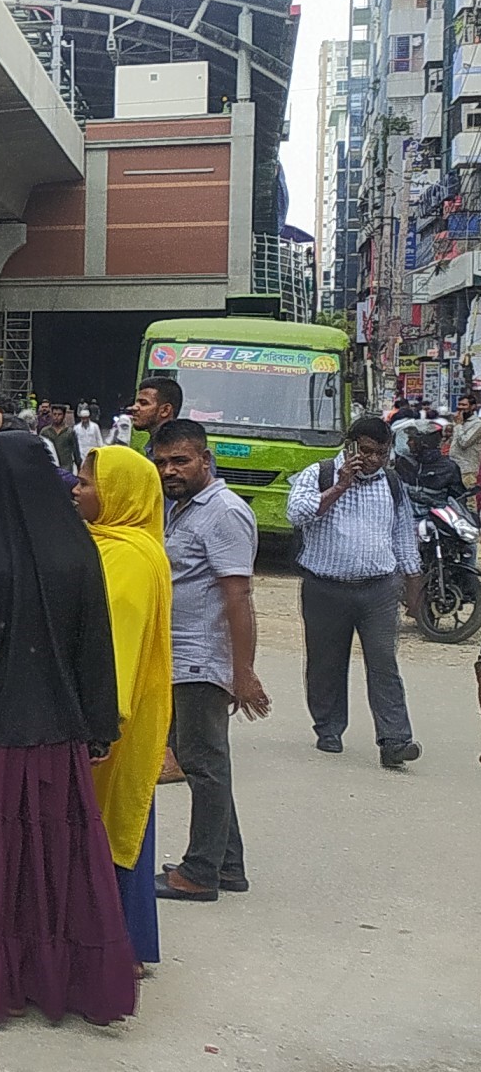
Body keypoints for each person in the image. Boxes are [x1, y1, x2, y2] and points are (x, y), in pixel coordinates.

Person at [0, 432, 136, 1028]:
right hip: (59, 727)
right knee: (52, 852)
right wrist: (97, 724)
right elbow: (96, 646)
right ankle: (52, 976)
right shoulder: (77, 546)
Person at [150, 418, 267, 903]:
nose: (169, 471)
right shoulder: (180, 509)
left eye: (180, 461)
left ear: (205, 459)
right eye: (161, 463)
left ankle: (199, 873)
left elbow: (238, 594)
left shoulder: (224, 512)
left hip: (201, 659)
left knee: (204, 764)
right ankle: (228, 864)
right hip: (179, 657)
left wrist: (243, 672)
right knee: (201, 759)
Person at [75, 445, 175, 972]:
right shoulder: (108, 542)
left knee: (109, 825)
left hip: (111, 722)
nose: (77, 489)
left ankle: (116, 949)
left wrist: (100, 724)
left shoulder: (129, 558)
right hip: (109, 720)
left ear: (120, 494)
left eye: (88, 482)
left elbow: (117, 644)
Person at [288, 415, 424, 768]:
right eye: (366, 451)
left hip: (378, 589)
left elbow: (402, 535)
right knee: (326, 663)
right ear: (350, 446)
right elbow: (296, 514)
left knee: (384, 664)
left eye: (381, 452)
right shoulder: (318, 474)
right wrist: (339, 486)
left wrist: (413, 584)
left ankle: (395, 741)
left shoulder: (391, 483)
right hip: (325, 588)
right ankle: (329, 729)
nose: (374, 459)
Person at [395, 419, 465, 497]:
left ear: (424, 441)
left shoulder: (448, 467)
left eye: (411, 439)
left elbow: (458, 498)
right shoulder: (402, 464)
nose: (407, 442)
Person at [129, 376, 182, 444]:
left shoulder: (175, 446)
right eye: (136, 402)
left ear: (165, 410)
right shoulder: (159, 443)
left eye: (143, 403)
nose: (134, 408)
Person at [40, 403, 79, 470]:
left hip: (66, 468)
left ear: (64, 415)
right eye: (54, 414)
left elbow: (76, 451)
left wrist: (79, 466)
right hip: (50, 467)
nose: (56, 417)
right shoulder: (45, 432)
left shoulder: (69, 432)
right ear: (51, 415)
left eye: (59, 414)